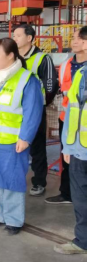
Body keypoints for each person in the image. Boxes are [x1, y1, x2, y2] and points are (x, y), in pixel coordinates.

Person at [0, 38, 44, 236]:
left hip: (13, 140)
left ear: (11, 55)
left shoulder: (26, 79)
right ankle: (0, 214)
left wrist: (26, 137)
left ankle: (14, 219)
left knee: (12, 179)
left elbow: (33, 112)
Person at [14, 24, 59, 197]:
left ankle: (39, 182)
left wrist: (39, 105)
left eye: (18, 35)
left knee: (37, 146)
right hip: (14, 109)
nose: (15, 38)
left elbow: (51, 85)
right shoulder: (13, 57)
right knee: (15, 144)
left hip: (35, 109)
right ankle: (15, 177)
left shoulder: (42, 58)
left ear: (29, 38)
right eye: (14, 35)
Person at [55, 26, 87, 255]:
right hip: (79, 148)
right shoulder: (79, 73)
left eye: (78, 38)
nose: (74, 42)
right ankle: (83, 240)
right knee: (81, 197)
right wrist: (67, 145)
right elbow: (71, 111)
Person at [47, 29, 87, 205]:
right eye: (73, 38)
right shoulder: (66, 65)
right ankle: (67, 193)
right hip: (68, 120)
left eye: (80, 38)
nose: (75, 41)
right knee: (67, 157)